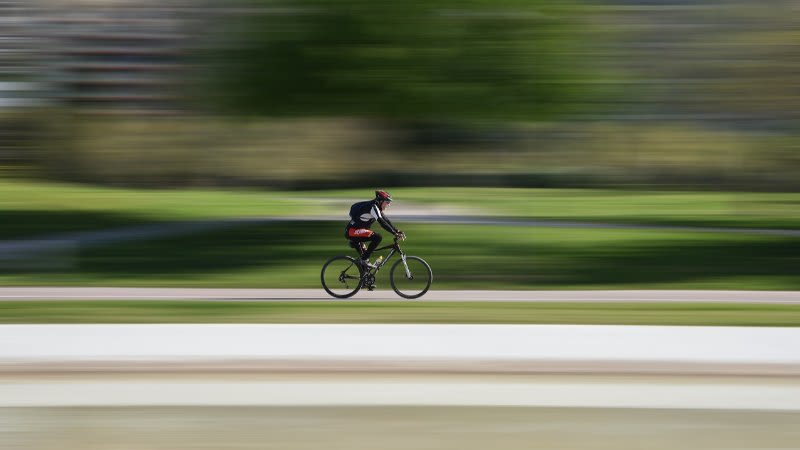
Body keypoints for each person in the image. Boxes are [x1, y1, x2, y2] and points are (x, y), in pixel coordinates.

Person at [345, 190, 405, 269]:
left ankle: (364, 275)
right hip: (352, 232)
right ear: (380, 201)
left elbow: (385, 220)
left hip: (356, 231)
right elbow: (382, 223)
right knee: (377, 237)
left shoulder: (377, 208)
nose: (389, 204)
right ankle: (364, 260)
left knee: (365, 265)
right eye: (387, 202)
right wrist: (394, 233)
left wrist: (396, 230)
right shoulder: (373, 207)